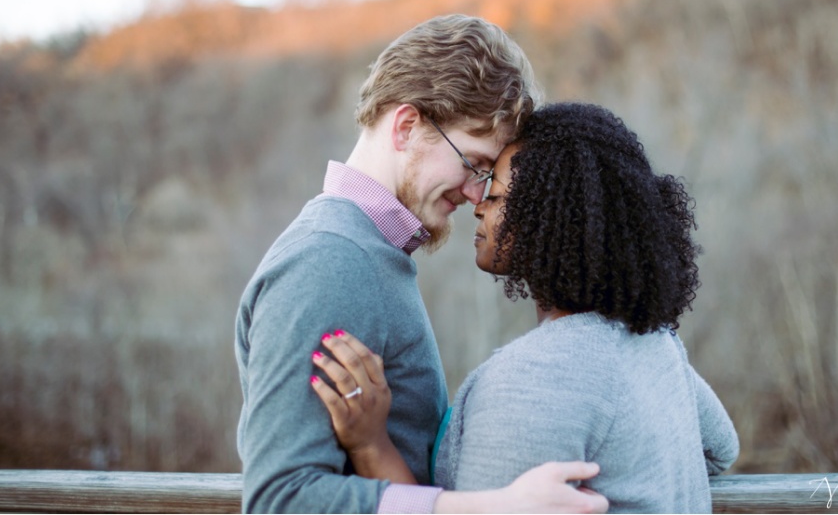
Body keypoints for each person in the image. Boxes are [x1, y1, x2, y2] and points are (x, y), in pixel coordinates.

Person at [235, 16, 609, 514]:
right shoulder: (328, 261)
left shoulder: (370, 253)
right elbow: (280, 501)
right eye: (474, 163)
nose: (478, 193)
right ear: (408, 126)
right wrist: (491, 508)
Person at [311, 101, 740, 513]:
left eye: (495, 195)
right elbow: (721, 449)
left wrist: (371, 446)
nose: (478, 206)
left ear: (548, 218)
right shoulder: (653, 343)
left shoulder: (531, 383)